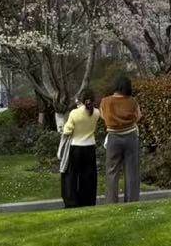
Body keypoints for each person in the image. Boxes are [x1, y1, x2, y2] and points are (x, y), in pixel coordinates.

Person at [100, 75, 141, 204]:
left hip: (113, 137)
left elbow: (103, 116)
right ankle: (132, 201)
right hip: (131, 137)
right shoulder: (132, 101)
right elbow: (138, 116)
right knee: (132, 171)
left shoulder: (105, 101)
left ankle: (111, 202)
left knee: (112, 171)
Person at [59, 90, 101, 208]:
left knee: (71, 176)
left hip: (76, 147)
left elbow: (67, 130)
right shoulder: (96, 112)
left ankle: (71, 201)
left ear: (80, 100)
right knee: (88, 176)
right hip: (90, 147)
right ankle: (87, 201)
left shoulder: (74, 113)